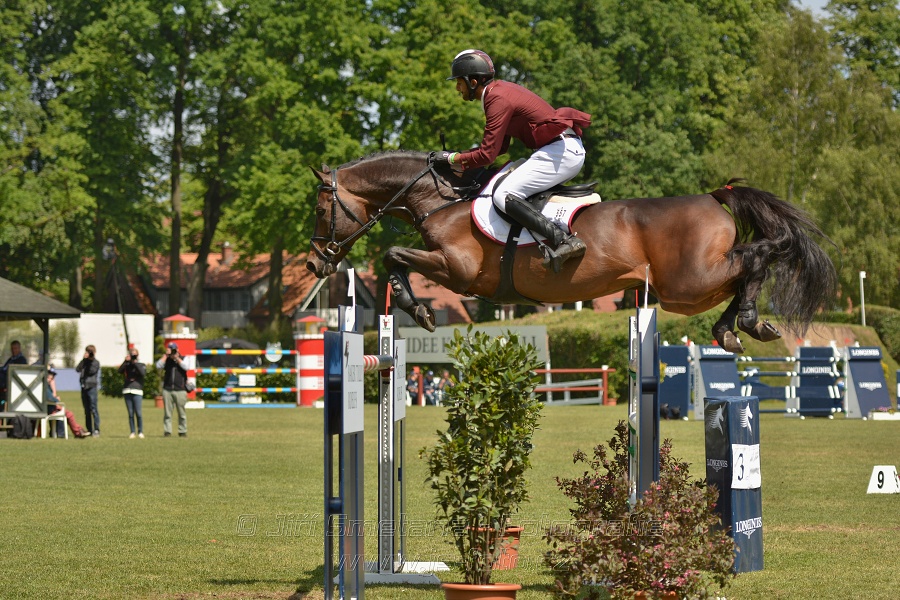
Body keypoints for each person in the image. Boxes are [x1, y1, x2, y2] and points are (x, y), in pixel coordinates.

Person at [433, 49, 592, 273]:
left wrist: (452, 159)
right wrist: (458, 158)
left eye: (459, 82)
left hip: (560, 151)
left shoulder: (496, 99)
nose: (457, 88)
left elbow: (487, 155)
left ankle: (565, 241)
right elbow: (500, 148)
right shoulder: (498, 92)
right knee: (500, 181)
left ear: (473, 81)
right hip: (558, 149)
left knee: (503, 194)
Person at [46, 367, 90, 438]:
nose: (51, 378)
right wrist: (56, 399)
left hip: (50, 408)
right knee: (69, 414)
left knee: (68, 414)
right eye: (50, 375)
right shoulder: (45, 386)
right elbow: (49, 398)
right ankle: (78, 432)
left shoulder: (46, 385)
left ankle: (79, 431)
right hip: (50, 409)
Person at [156, 342, 188, 437]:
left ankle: (182, 431)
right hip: (168, 389)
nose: (173, 352)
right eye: (171, 349)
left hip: (180, 389)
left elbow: (186, 367)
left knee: (181, 413)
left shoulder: (183, 358)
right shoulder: (166, 360)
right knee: (167, 413)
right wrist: (166, 356)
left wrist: (177, 358)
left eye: (174, 349)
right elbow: (158, 365)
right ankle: (167, 431)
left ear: (178, 349)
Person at [119, 347, 146, 439]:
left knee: (138, 412)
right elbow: (119, 371)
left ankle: (140, 431)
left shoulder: (141, 364)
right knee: (130, 413)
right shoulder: (127, 365)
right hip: (127, 390)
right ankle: (132, 431)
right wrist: (125, 361)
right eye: (132, 354)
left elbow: (142, 373)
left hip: (137, 391)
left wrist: (135, 363)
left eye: (135, 354)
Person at [76, 344, 101, 436]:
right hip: (84, 387)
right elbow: (77, 369)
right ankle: (89, 429)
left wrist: (89, 361)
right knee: (86, 410)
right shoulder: (84, 362)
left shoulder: (95, 362)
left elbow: (91, 372)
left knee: (93, 409)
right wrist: (84, 360)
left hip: (91, 387)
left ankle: (97, 429)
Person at [0, 340, 28, 408]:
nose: (14, 350)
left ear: (19, 348)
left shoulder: (21, 360)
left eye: (15, 348)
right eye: (12, 348)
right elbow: (4, 368)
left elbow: (18, 373)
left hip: (12, 383)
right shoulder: (11, 359)